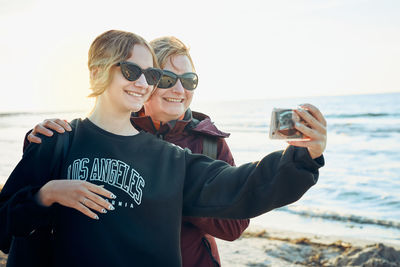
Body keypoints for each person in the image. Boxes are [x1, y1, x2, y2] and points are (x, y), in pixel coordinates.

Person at [0, 29, 326, 267]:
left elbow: (244, 187)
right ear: (97, 72)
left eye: (150, 74)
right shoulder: (57, 141)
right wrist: (46, 195)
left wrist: (302, 155)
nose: (142, 82)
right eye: (131, 71)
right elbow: (5, 226)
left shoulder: (172, 160)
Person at [25, 36, 250, 267]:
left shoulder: (209, 143)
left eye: (189, 80)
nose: (180, 89)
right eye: (166, 79)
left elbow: (234, 227)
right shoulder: (110, 135)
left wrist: (174, 192)